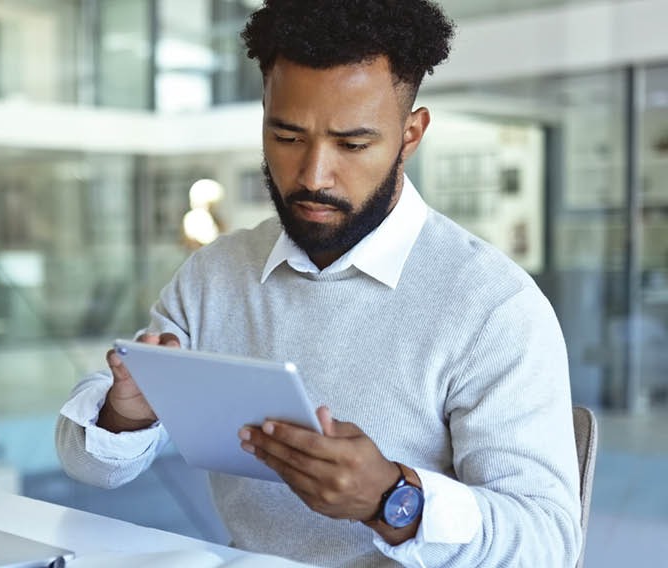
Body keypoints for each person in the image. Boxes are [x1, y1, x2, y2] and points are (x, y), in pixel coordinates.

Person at [55, 1, 582, 566]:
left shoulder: (492, 307)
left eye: (352, 144)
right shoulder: (217, 274)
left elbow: (549, 544)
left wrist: (393, 501)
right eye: (286, 136)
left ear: (411, 134)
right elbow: (91, 467)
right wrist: (126, 414)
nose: (312, 175)